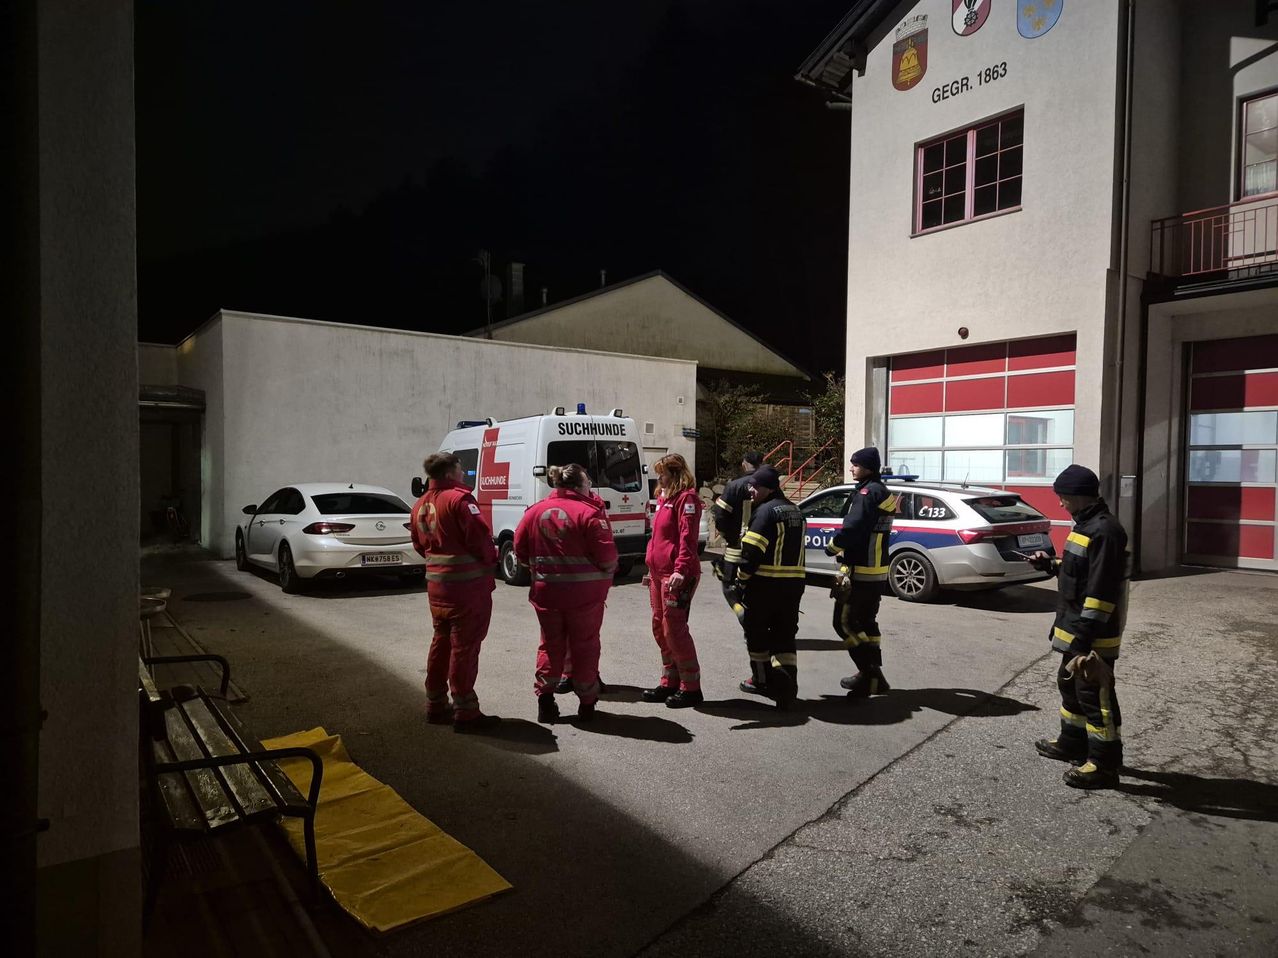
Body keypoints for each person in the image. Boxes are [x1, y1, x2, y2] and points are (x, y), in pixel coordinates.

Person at [1026, 464, 1130, 789]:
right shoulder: (1085, 525)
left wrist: (1084, 640)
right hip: (1074, 628)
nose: (1060, 504)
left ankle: (1103, 764)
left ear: (1078, 497)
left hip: (1092, 635)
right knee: (1069, 686)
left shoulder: (1105, 531)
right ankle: (1072, 743)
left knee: (1094, 696)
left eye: (1063, 498)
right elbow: (1079, 574)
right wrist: (1050, 564)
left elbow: (1100, 591)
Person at [514, 463, 618, 724]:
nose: (590, 487)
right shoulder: (589, 513)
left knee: (549, 645)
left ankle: (545, 700)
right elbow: (608, 558)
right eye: (588, 483)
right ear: (579, 485)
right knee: (585, 647)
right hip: (584, 599)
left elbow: (520, 550)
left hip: (546, 595)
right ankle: (586, 705)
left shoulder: (534, 512)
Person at [409, 451, 501, 733]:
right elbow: (480, 542)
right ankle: (465, 710)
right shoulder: (460, 500)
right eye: (461, 469)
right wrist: (492, 557)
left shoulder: (420, 504)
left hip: (437, 589)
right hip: (466, 589)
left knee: (441, 641)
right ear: (450, 473)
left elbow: (418, 544)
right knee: (464, 647)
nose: (463, 474)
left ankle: (435, 704)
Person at [730, 465, 805, 707]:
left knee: (757, 634)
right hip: (792, 587)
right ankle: (787, 689)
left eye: (756, 486)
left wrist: (740, 579)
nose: (751, 489)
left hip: (765, 586)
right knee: (784, 639)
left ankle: (761, 681)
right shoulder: (795, 510)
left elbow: (751, 553)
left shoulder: (764, 512)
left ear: (769, 488)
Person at [826, 446, 899, 697]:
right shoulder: (882, 491)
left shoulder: (867, 493)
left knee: (844, 622)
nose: (851, 468)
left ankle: (869, 673)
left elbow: (853, 527)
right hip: (876, 570)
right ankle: (874, 675)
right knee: (867, 622)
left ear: (867, 467)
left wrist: (832, 547)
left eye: (855, 464)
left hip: (861, 570)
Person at [642, 453, 704, 708]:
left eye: (663, 474)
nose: (660, 478)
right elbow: (658, 537)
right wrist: (650, 567)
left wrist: (680, 569)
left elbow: (687, 540)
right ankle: (670, 680)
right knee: (659, 625)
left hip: (677, 574)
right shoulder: (664, 498)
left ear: (676, 474)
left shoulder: (686, 499)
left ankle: (691, 687)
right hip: (658, 573)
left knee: (673, 629)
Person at [711, 451, 763, 617]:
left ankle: (744, 618)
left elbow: (720, 513)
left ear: (744, 464)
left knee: (730, 588)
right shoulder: (767, 486)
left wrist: (727, 533)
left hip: (736, 547)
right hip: (761, 549)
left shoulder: (735, 485)